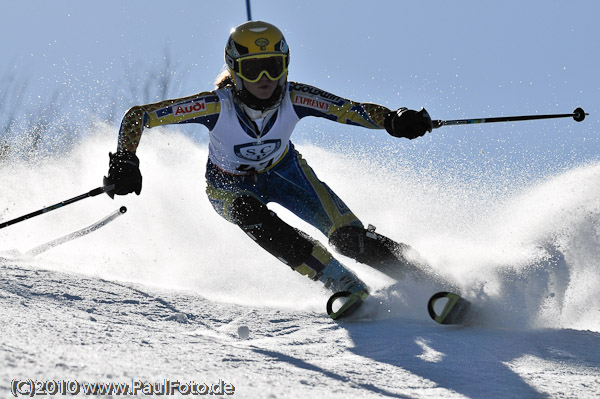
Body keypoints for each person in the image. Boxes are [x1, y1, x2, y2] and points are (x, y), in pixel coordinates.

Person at [104, 21, 433, 319]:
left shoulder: (296, 97)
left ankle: (426, 279)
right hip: (228, 187)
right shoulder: (216, 106)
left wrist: (394, 118)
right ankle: (339, 280)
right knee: (249, 212)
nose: (264, 79)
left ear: (285, 66)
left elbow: (350, 111)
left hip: (287, 174)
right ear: (235, 71)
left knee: (347, 237)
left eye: (272, 67)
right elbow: (139, 115)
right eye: (253, 69)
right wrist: (124, 160)